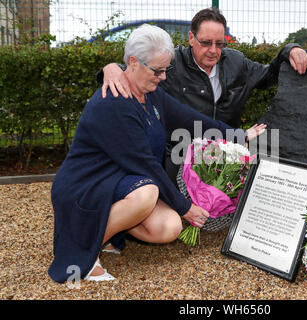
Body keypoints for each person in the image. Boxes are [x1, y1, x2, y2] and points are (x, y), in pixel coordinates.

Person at [48, 24, 266, 283]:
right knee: (148, 192)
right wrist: (186, 207)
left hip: (119, 179)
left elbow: (190, 119)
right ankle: (82, 250)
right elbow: (146, 165)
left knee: (169, 227)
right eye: (157, 70)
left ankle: (107, 234)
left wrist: (238, 136)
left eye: (166, 70)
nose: (163, 76)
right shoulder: (114, 103)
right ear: (133, 62)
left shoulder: (151, 94)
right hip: (88, 183)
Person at [97, 7, 307, 183]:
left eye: (220, 43)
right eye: (206, 42)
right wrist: (111, 68)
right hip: (181, 154)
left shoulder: (237, 63)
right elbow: (136, 71)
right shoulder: (172, 64)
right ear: (191, 38)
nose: (213, 50)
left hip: (229, 147)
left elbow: (268, 75)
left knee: (266, 160)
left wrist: (289, 50)